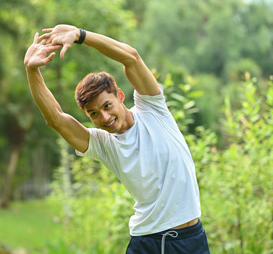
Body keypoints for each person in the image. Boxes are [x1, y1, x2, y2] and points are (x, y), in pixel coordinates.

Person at [24, 24, 210, 254]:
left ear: (120, 96)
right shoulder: (104, 144)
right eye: (93, 114)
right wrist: (32, 71)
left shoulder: (152, 108)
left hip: (192, 239)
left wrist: (81, 36)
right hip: (148, 243)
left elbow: (131, 57)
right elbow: (56, 119)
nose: (104, 117)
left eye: (107, 106)